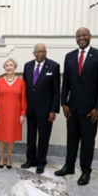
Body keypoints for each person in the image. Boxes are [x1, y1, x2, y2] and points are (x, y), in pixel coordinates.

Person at [54, 27, 98, 185]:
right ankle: (69, 166)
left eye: (84, 35)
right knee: (71, 139)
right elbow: (66, 82)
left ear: (90, 36)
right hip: (72, 109)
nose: (81, 38)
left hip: (90, 110)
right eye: (78, 36)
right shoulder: (69, 56)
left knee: (87, 141)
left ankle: (86, 171)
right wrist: (64, 103)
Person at [21, 43, 60, 174]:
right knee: (31, 136)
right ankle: (30, 159)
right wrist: (23, 108)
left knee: (43, 137)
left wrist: (53, 110)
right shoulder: (27, 66)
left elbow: (56, 91)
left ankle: (41, 162)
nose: (40, 54)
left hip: (46, 111)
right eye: (38, 51)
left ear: (46, 52)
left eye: (43, 51)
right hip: (30, 109)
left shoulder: (54, 66)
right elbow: (25, 89)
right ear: (33, 53)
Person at [0, 58, 27, 169]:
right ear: (4, 68)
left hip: (14, 114)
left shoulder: (21, 82)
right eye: (7, 65)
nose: (9, 67)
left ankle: (8, 159)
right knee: (1, 137)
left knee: (12, 137)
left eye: (11, 65)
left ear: (15, 67)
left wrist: (22, 113)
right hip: (1, 113)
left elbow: (23, 99)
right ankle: (1, 158)